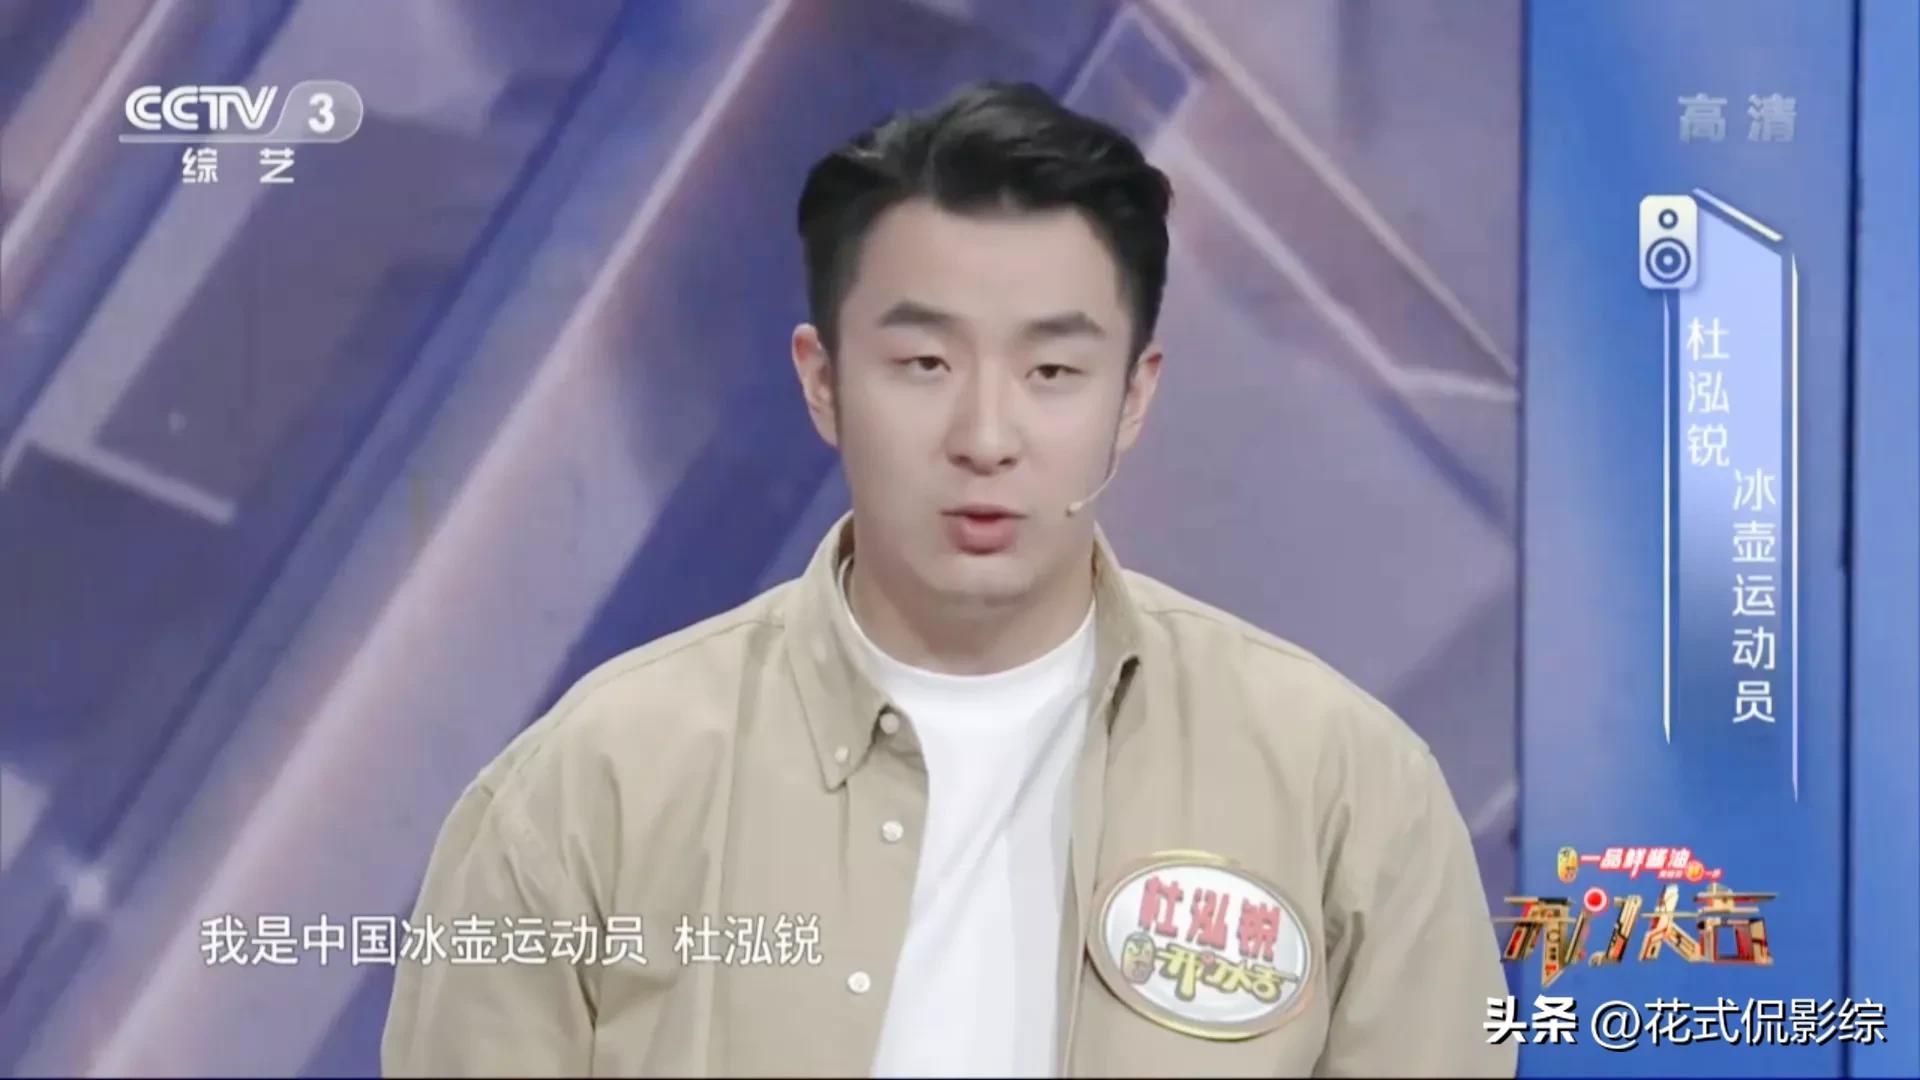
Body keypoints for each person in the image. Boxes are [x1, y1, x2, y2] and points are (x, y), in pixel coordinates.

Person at [382, 80, 1515, 1078]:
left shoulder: (1343, 788)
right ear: (823, 381)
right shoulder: (592, 785)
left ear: (1133, 398)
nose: (985, 436)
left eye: (1053, 370)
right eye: (923, 362)